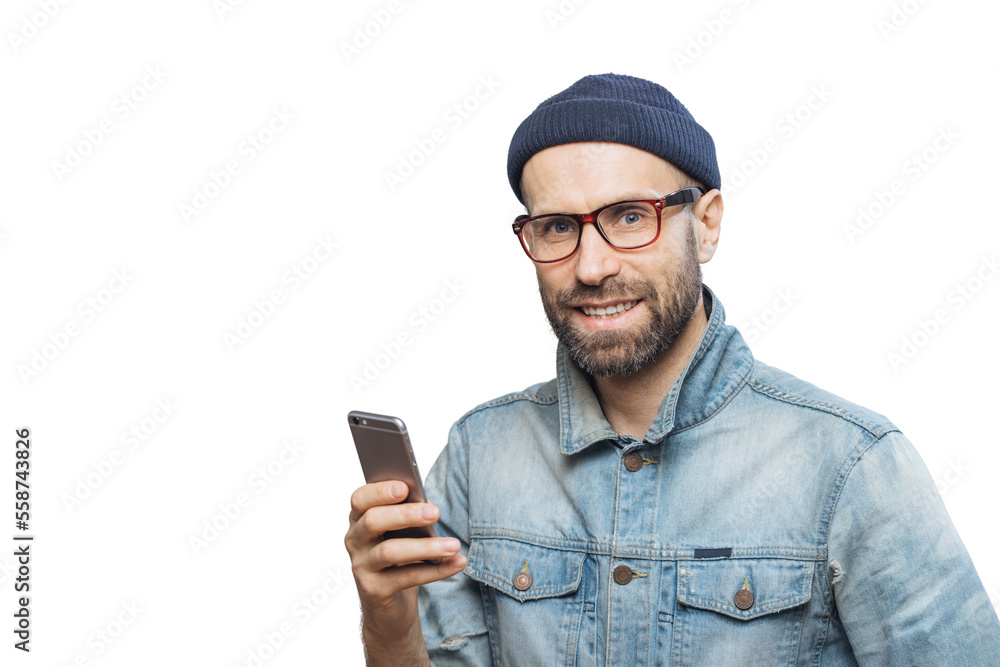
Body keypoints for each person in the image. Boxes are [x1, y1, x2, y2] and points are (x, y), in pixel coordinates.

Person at [344, 73, 1000, 665]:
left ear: (707, 225)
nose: (592, 266)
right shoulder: (475, 456)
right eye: (555, 227)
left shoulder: (853, 464)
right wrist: (387, 622)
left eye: (631, 217)